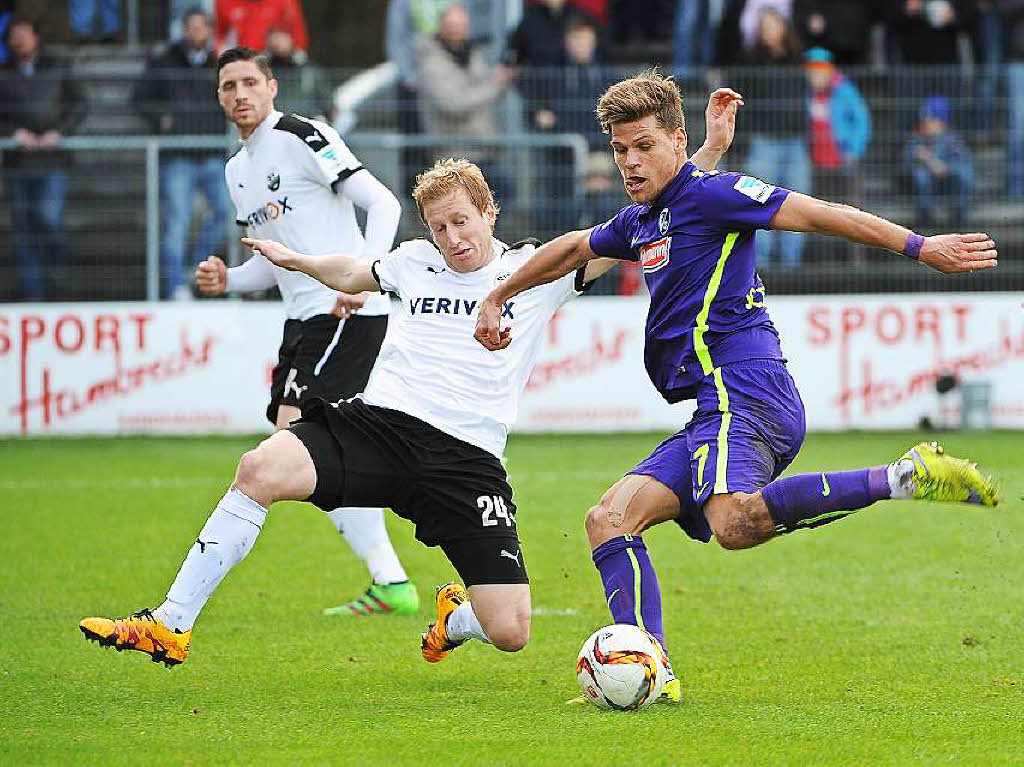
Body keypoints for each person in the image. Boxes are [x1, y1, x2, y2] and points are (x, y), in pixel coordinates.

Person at [77, 89, 743, 669]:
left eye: (461, 221)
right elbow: (350, 270)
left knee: (511, 629)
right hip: (380, 427)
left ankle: (455, 618)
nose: (452, 238)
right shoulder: (412, 261)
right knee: (259, 468)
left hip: (467, 461)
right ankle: (170, 622)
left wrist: (707, 153)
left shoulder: (536, 270)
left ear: (489, 212)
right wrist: (296, 259)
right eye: (439, 225)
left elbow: (663, 212)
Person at [474, 70, 1000, 704]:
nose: (630, 163)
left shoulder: (717, 196)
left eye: (643, 146)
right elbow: (574, 247)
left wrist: (921, 246)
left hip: (746, 390)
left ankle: (904, 477)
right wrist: (500, 293)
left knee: (734, 522)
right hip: (713, 408)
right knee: (609, 519)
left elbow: (819, 213)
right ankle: (648, 670)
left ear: (674, 137)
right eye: (619, 150)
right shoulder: (648, 219)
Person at [191, 47, 418, 617]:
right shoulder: (237, 171)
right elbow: (271, 264)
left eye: (249, 82)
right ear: (219, 98)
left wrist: (366, 276)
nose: (239, 94)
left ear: (271, 87)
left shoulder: (301, 134)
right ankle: (392, 580)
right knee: (320, 453)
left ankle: (404, 551)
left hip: (344, 314)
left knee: (293, 446)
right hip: (303, 323)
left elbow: (383, 203)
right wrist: (229, 280)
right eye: (227, 86)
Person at [136, 8, 231, 300]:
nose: (196, 32)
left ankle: (194, 270)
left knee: (226, 214)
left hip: (212, 154)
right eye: (191, 27)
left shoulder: (219, 65)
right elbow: (140, 100)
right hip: (177, 156)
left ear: (209, 31)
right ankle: (175, 286)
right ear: (182, 30)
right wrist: (161, 119)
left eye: (201, 27)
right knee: (177, 223)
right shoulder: (163, 61)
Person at [0, 17, 85, 301]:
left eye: (25, 34)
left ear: (36, 37)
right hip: (17, 161)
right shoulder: (3, 73)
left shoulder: (58, 66)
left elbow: (80, 103)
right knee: (23, 226)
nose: (20, 40)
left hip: (52, 160)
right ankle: (32, 291)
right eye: (15, 35)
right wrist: (13, 133)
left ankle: (58, 270)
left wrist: (59, 132)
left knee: (48, 219)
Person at [736, 7, 810, 268]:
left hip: (795, 141)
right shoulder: (750, 60)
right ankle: (762, 266)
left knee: (799, 204)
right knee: (760, 203)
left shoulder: (798, 58)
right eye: (764, 25)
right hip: (764, 140)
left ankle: (792, 265)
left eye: (773, 24)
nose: (769, 30)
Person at [416, 3, 513, 201]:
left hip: (483, 148)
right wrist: (495, 85)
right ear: (442, 27)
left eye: (461, 25)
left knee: (503, 195)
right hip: (453, 152)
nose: (457, 30)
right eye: (452, 25)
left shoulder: (473, 55)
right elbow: (454, 104)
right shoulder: (432, 63)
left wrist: (494, 85)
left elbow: (485, 93)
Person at [804, 46, 870, 260]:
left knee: (852, 214)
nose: (817, 74)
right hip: (816, 164)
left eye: (821, 69)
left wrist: (853, 150)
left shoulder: (844, 90)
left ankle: (855, 261)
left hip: (842, 162)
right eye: (812, 70)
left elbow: (861, 121)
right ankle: (825, 261)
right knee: (819, 217)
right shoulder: (805, 93)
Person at [906, 95, 972, 232]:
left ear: (942, 122)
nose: (925, 121)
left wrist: (944, 167)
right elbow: (908, 158)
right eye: (924, 118)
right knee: (920, 174)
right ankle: (927, 217)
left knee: (964, 172)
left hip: (947, 185)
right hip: (926, 188)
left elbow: (964, 160)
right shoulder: (918, 136)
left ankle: (958, 216)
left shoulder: (951, 138)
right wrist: (927, 160)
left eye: (930, 118)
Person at [215, 0, 308, 53]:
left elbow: (297, 35)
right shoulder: (225, 2)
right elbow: (219, 35)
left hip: (273, 61)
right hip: (240, 61)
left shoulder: (284, 2)